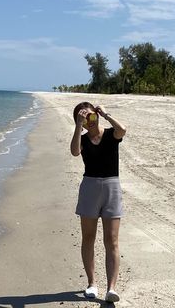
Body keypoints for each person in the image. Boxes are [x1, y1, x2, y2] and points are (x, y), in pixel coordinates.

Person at [70, 101, 127, 303]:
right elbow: (75, 151)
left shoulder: (111, 134)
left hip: (111, 188)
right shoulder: (83, 138)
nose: (89, 122)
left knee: (111, 240)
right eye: (85, 119)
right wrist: (78, 125)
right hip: (89, 188)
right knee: (88, 237)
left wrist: (105, 114)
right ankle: (92, 283)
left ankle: (111, 288)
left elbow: (123, 130)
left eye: (91, 116)